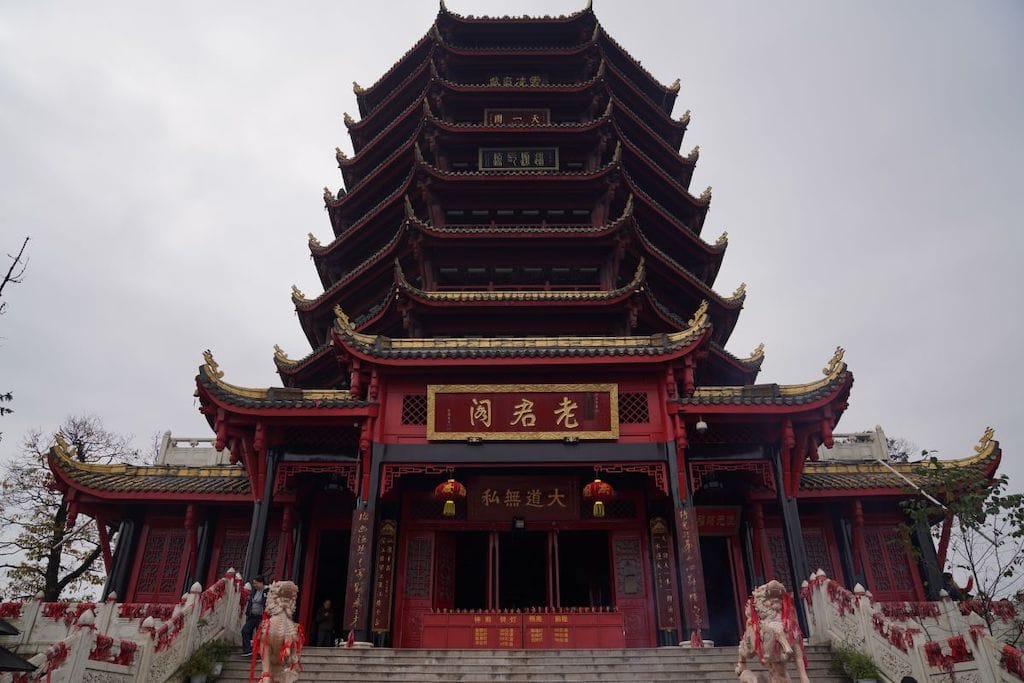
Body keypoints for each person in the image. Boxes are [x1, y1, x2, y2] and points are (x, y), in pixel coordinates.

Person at [240, 575, 268, 657]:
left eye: (256, 583)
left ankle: (259, 653)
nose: (254, 585)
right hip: (252, 616)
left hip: (262, 617)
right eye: (253, 583)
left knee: (260, 635)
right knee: (245, 631)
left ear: (261, 583)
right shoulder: (254, 592)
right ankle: (247, 650)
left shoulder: (267, 591)